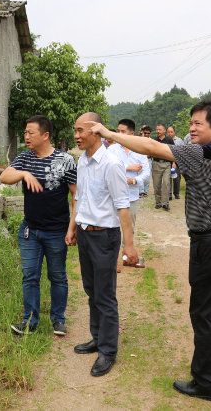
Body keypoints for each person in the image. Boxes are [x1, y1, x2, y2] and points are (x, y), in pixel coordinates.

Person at [85, 100, 211, 401]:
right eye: (191, 122)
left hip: (210, 245)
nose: (192, 127)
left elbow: (150, 148)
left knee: (203, 313)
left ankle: (206, 382)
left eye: (199, 123)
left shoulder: (201, 153)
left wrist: (110, 133)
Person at [65, 112, 138, 377]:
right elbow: (80, 198)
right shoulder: (82, 162)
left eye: (81, 130)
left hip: (105, 237)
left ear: (96, 131)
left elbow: (123, 206)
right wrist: (73, 227)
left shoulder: (111, 163)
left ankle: (108, 351)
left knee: (105, 295)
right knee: (91, 290)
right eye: (75, 130)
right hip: (85, 234)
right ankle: (97, 337)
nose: (76, 135)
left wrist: (128, 246)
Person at [0, 115, 77, 337]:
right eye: (25, 132)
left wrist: (72, 227)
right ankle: (30, 321)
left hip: (57, 231)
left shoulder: (66, 160)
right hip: (29, 231)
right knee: (30, 276)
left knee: (57, 276)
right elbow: (5, 176)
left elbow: (76, 195)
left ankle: (58, 319)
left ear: (45, 135)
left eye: (30, 132)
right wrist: (24, 173)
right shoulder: (25, 158)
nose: (26, 136)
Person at [113, 118, 150, 273]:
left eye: (123, 131)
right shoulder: (112, 149)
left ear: (132, 133)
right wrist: (129, 167)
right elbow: (108, 167)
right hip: (114, 195)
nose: (119, 134)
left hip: (132, 195)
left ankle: (126, 256)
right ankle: (112, 260)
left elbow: (146, 171)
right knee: (113, 228)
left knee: (130, 228)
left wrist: (134, 179)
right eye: (118, 131)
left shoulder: (139, 149)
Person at [151, 123, 174, 211]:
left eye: (159, 129)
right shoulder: (154, 140)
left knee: (166, 183)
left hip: (167, 164)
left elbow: (173, 152)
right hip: (156, 163)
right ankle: (158, 202)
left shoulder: (169, 140)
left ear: (164, 130)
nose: (158, 131)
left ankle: (165, 203)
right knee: (156, 185)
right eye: (156, 129)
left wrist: (174, 163)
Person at [167, 126, 184, 200]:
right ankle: (169, 194)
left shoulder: (179, 140)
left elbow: (183, 150)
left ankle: (176, 193)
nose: (170, 133)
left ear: (174, 132)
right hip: (168, 161)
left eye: (171, 132)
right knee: (168, 178)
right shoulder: (165, 140)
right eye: (168, 132)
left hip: (177, 162)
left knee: (177, 178)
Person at [140, 126, 152, 196]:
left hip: (148, 159)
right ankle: (141, 191)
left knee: (147, 175)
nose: (146, 134)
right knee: (140, 174)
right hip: (140, 159)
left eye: (148, 133)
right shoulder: (139, 139)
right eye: (145, 133)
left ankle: (145, 191)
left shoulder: (151, 141)